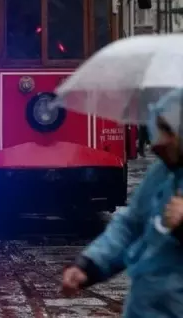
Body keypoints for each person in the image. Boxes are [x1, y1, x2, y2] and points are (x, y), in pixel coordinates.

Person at [61, 89, 183, 317]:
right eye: (156, 129)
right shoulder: (161, 173)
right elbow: (130, 224)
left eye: (167, 130)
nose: (156, 143)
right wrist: (88, 265)